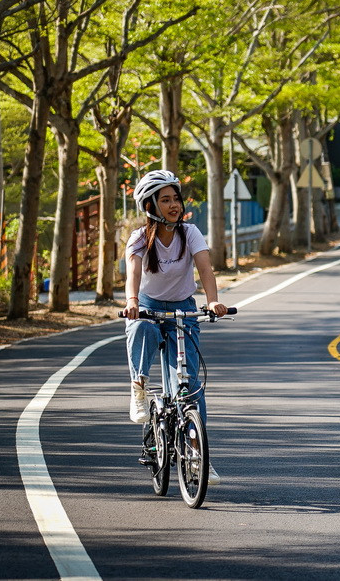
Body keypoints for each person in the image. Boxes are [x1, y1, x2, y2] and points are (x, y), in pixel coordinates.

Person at [123, 169, 227, 484]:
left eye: (176, 199)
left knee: (190, 386)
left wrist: (212, 301)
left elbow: (205, 268)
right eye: (165, 200)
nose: (174, 205)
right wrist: (132, 301)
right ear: (150, 205)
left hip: (183, 307)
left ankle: (199, 457)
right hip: (150, 307)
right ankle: (139, 387)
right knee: (143, 329)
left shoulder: (190, 232)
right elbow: (133, 272)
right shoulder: (139, 239)